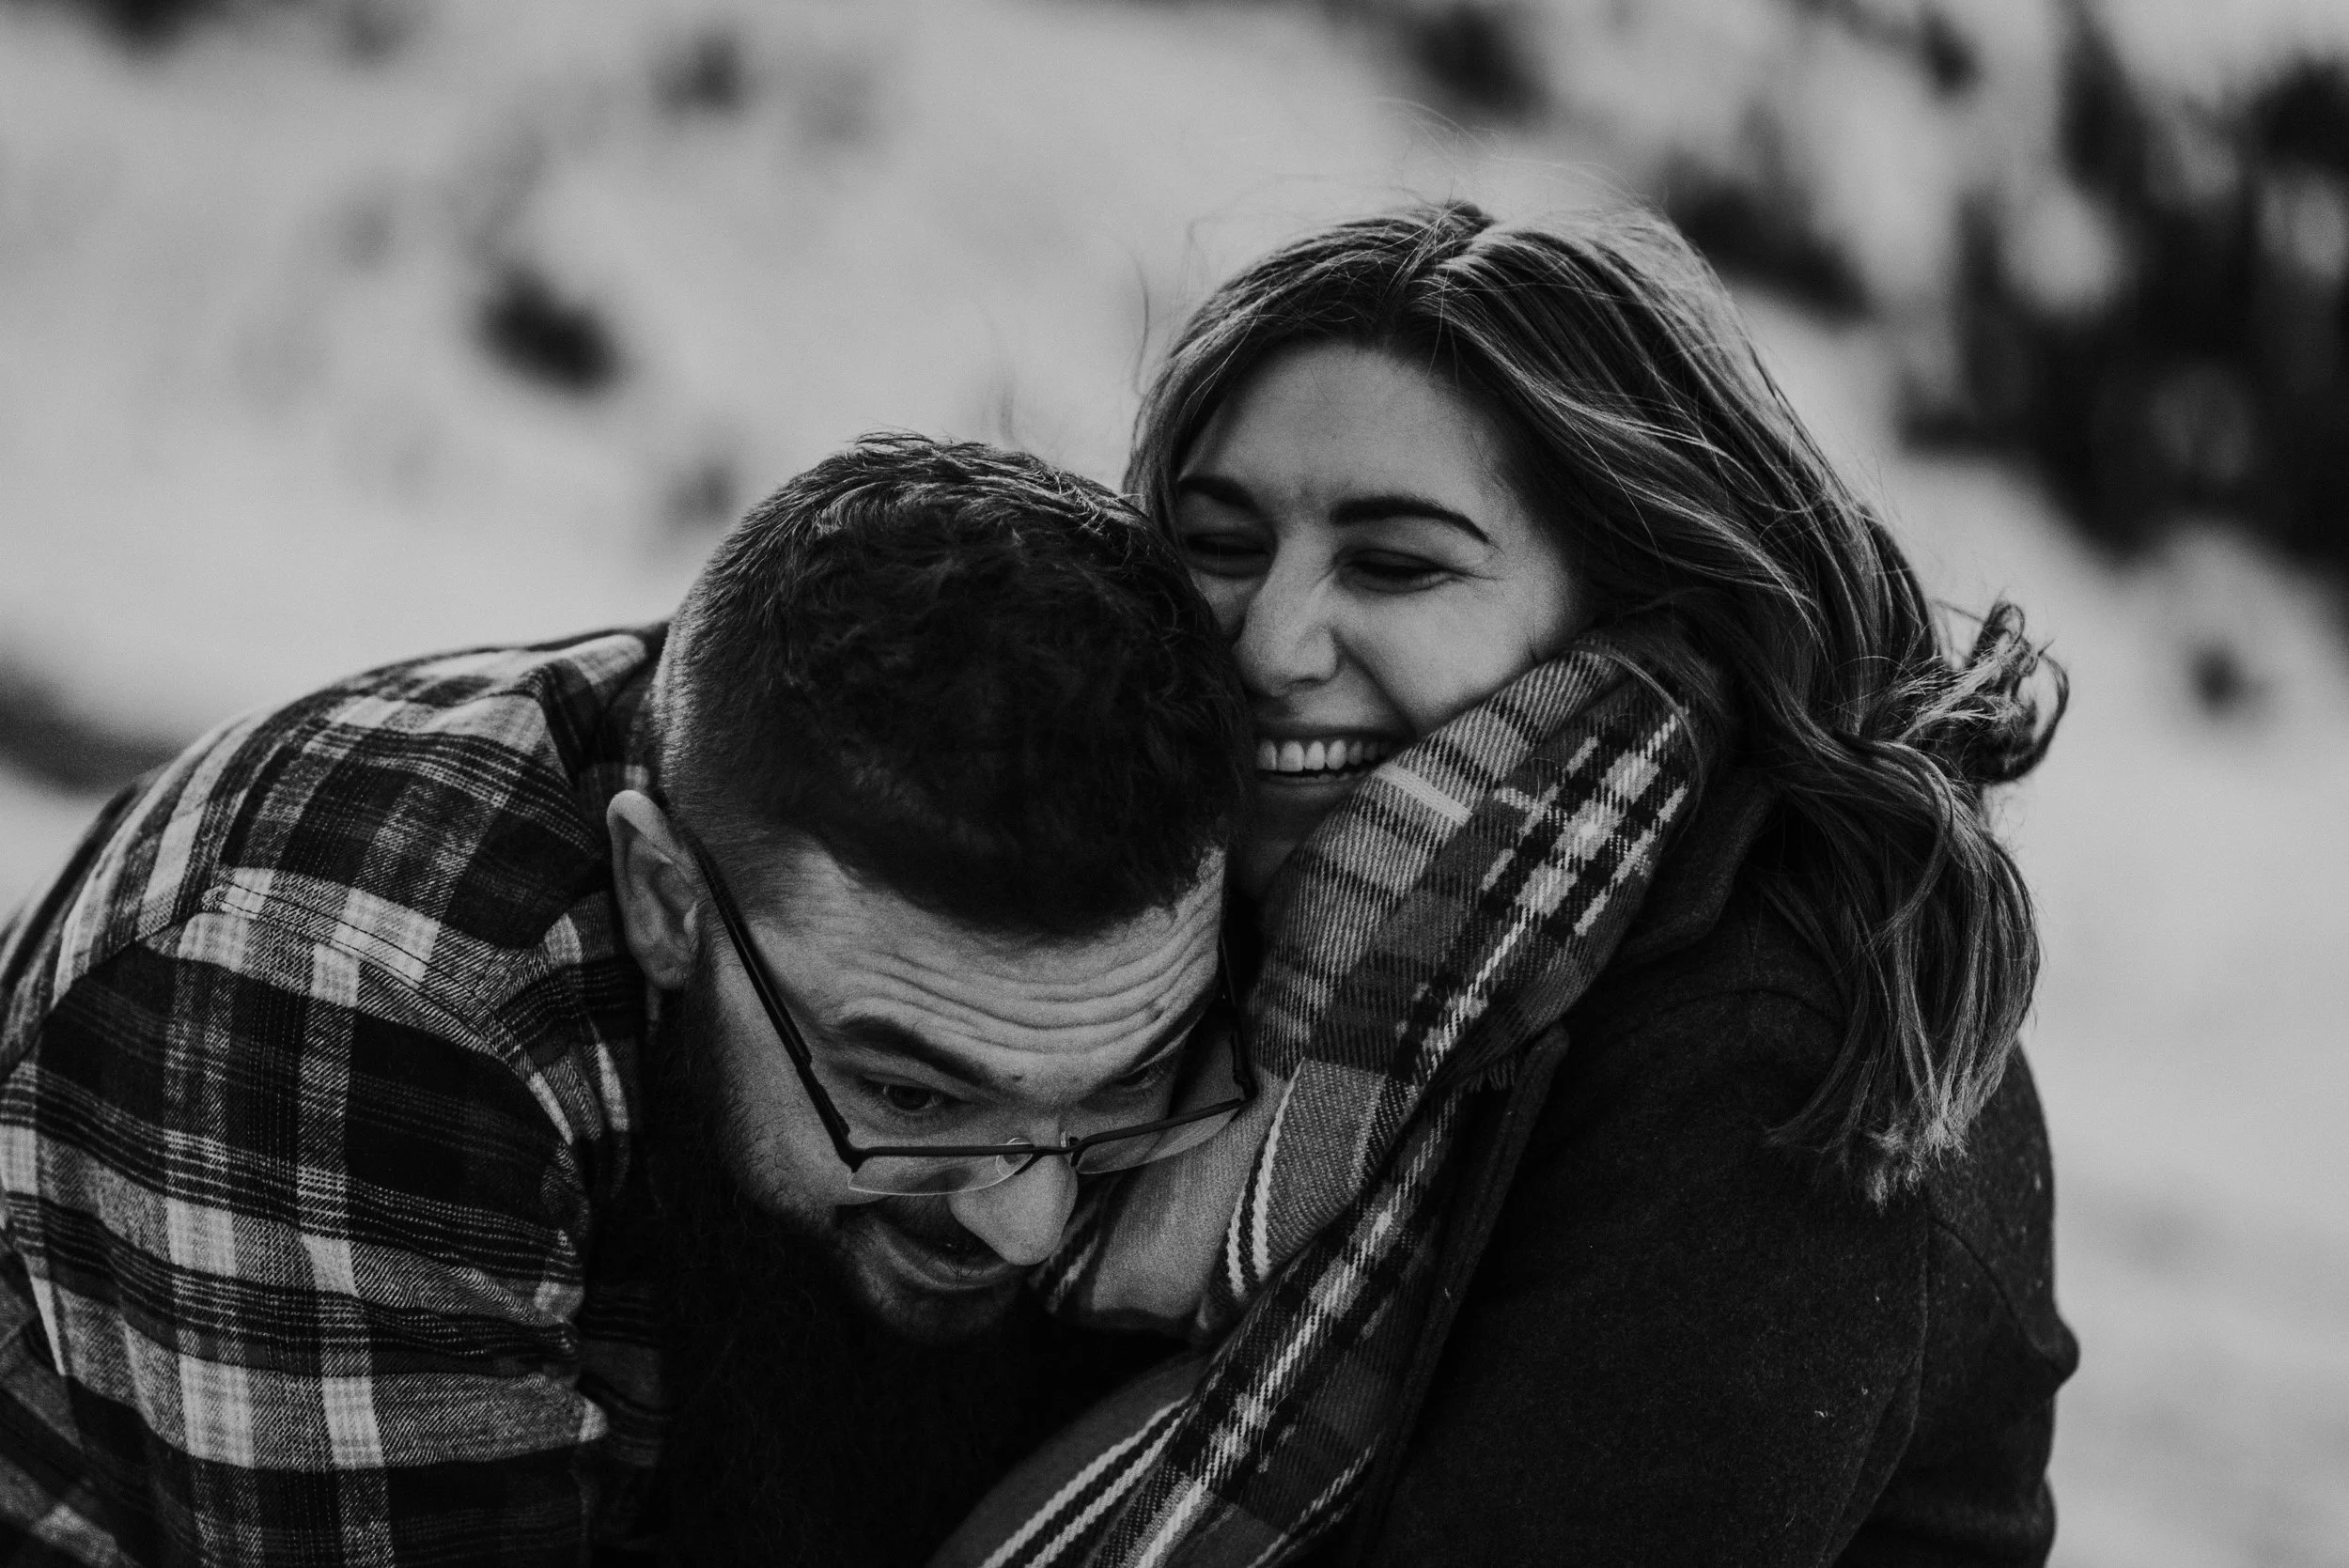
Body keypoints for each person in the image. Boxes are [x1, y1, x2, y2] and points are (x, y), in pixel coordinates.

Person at [947, 203, 2078, 1568]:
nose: (1271, 644)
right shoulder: (1202, 932)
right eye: (1222, 544)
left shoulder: (1776, 1039)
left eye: (1398, 563)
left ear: (1634, 594)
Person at [0, 434, 1258, 1564]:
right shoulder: (349, 997)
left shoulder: (817, 787)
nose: (1033, 1226)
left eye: (1127, 1080)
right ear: (662, 897)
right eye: (912, 1091)